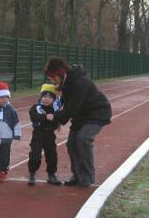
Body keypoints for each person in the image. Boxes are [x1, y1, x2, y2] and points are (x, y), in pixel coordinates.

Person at [44, 56, 111, 187]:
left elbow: (72, 108)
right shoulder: (66, 82)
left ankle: (87, 176)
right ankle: (77, 175)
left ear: (60, 73)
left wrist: (56, 117)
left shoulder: (80, 82)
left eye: (53, 77)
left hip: (97, 113)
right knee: (71, 143)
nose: (52, 81)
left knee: (83, 139)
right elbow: (65, 103)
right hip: (82, 115)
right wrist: (57, 119)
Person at [27, 83, 62, 185]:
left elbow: (57, 119)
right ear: (41, 97)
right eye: (45, 96)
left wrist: (57, 123)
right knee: (35, 155)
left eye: (50, 97)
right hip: (38, 134)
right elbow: (34, 117)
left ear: (53, 99)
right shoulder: (36, 107)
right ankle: (32, 173)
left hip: (50, 135)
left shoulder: (54, 109)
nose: (47, 99)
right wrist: (45, 117)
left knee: (52, 156)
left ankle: (51, 175)